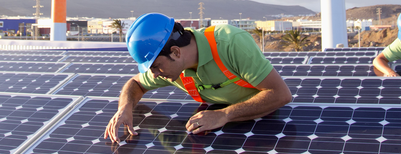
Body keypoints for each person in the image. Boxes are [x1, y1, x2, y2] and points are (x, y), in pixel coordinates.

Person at [104, 13, 292, 143]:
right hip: (219, 134)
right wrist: (125, 107)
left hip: (265, 127)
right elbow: (135, 83)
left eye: (155, 66)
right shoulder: (171, 68)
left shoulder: (230, 43)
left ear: (176, 52)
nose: (154, 74)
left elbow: (280, 94)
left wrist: (224, 114)